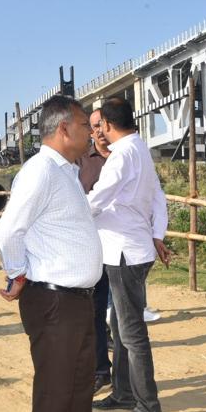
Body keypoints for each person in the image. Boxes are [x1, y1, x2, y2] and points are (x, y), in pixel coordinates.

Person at [0, 95, 127, 412]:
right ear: (64, 129)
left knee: (79, 387)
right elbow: (8, 230)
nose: (93, 133)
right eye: (85, 126)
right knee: (54, 392)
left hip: (77, 300)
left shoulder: (67, 173)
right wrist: (17, 274)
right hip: (52, 299)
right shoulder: (40, 171)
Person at [88, 96, 169, 412]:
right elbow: (157, 198)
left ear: (106, 124)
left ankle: (148, 406)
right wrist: (158, 233)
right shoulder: (140, 149)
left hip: (124, 254)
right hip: (131, 249)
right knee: (120, 327)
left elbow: (98, 199)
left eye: (99, 126)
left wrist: (68, 214)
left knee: (132, 333)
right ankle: (122, 392)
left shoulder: (122, 155)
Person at [79, 108, 113, 394]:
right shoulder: (80, 163)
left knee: (128, 316)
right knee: (95, 313)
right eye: (94, 126)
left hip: (126, 251)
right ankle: (101, 369)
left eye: (103, 123)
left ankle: (128, 377)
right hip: (94, 250)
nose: (99, 130)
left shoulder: (127, 158)